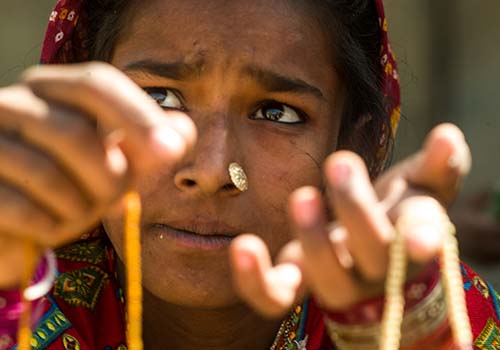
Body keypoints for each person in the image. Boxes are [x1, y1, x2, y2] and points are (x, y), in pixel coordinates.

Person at [0, 0, 498, 349]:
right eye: (160, 98)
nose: (212, 170)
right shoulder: (16, 278)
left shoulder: (425, 313)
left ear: (358, 147)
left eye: (276, 113)